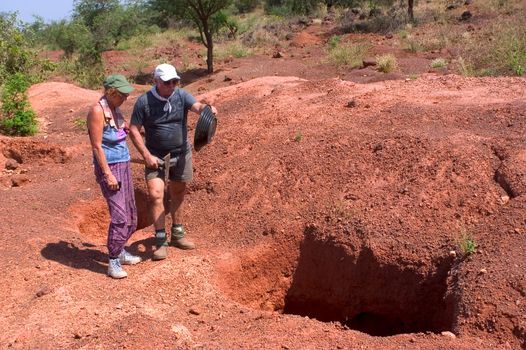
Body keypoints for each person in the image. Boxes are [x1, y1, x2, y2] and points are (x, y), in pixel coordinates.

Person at [129, 63, 217, 261]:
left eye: (175, 81)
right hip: (156, 156)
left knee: (178, 192)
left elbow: (197, 107)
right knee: (155, 195)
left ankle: (177, 234)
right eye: (167, 82)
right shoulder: (144, 102)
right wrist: (146, 155)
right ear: (156, 82)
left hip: (181, 152)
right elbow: (133, 129)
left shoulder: (181, 95)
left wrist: (208, 109)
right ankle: (160, 240)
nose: (172, 85)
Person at [87, 74, 141, 279]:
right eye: (122, 94)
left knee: (131, 214)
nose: (125, 98)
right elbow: (96, 146)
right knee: (119, 216)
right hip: (109, 167)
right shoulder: (97, 111)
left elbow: (125, 131)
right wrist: (108, 174)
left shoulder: (115, 111)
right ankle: (113, 261)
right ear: (111, 92)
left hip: (124, 164)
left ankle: (120, 249)